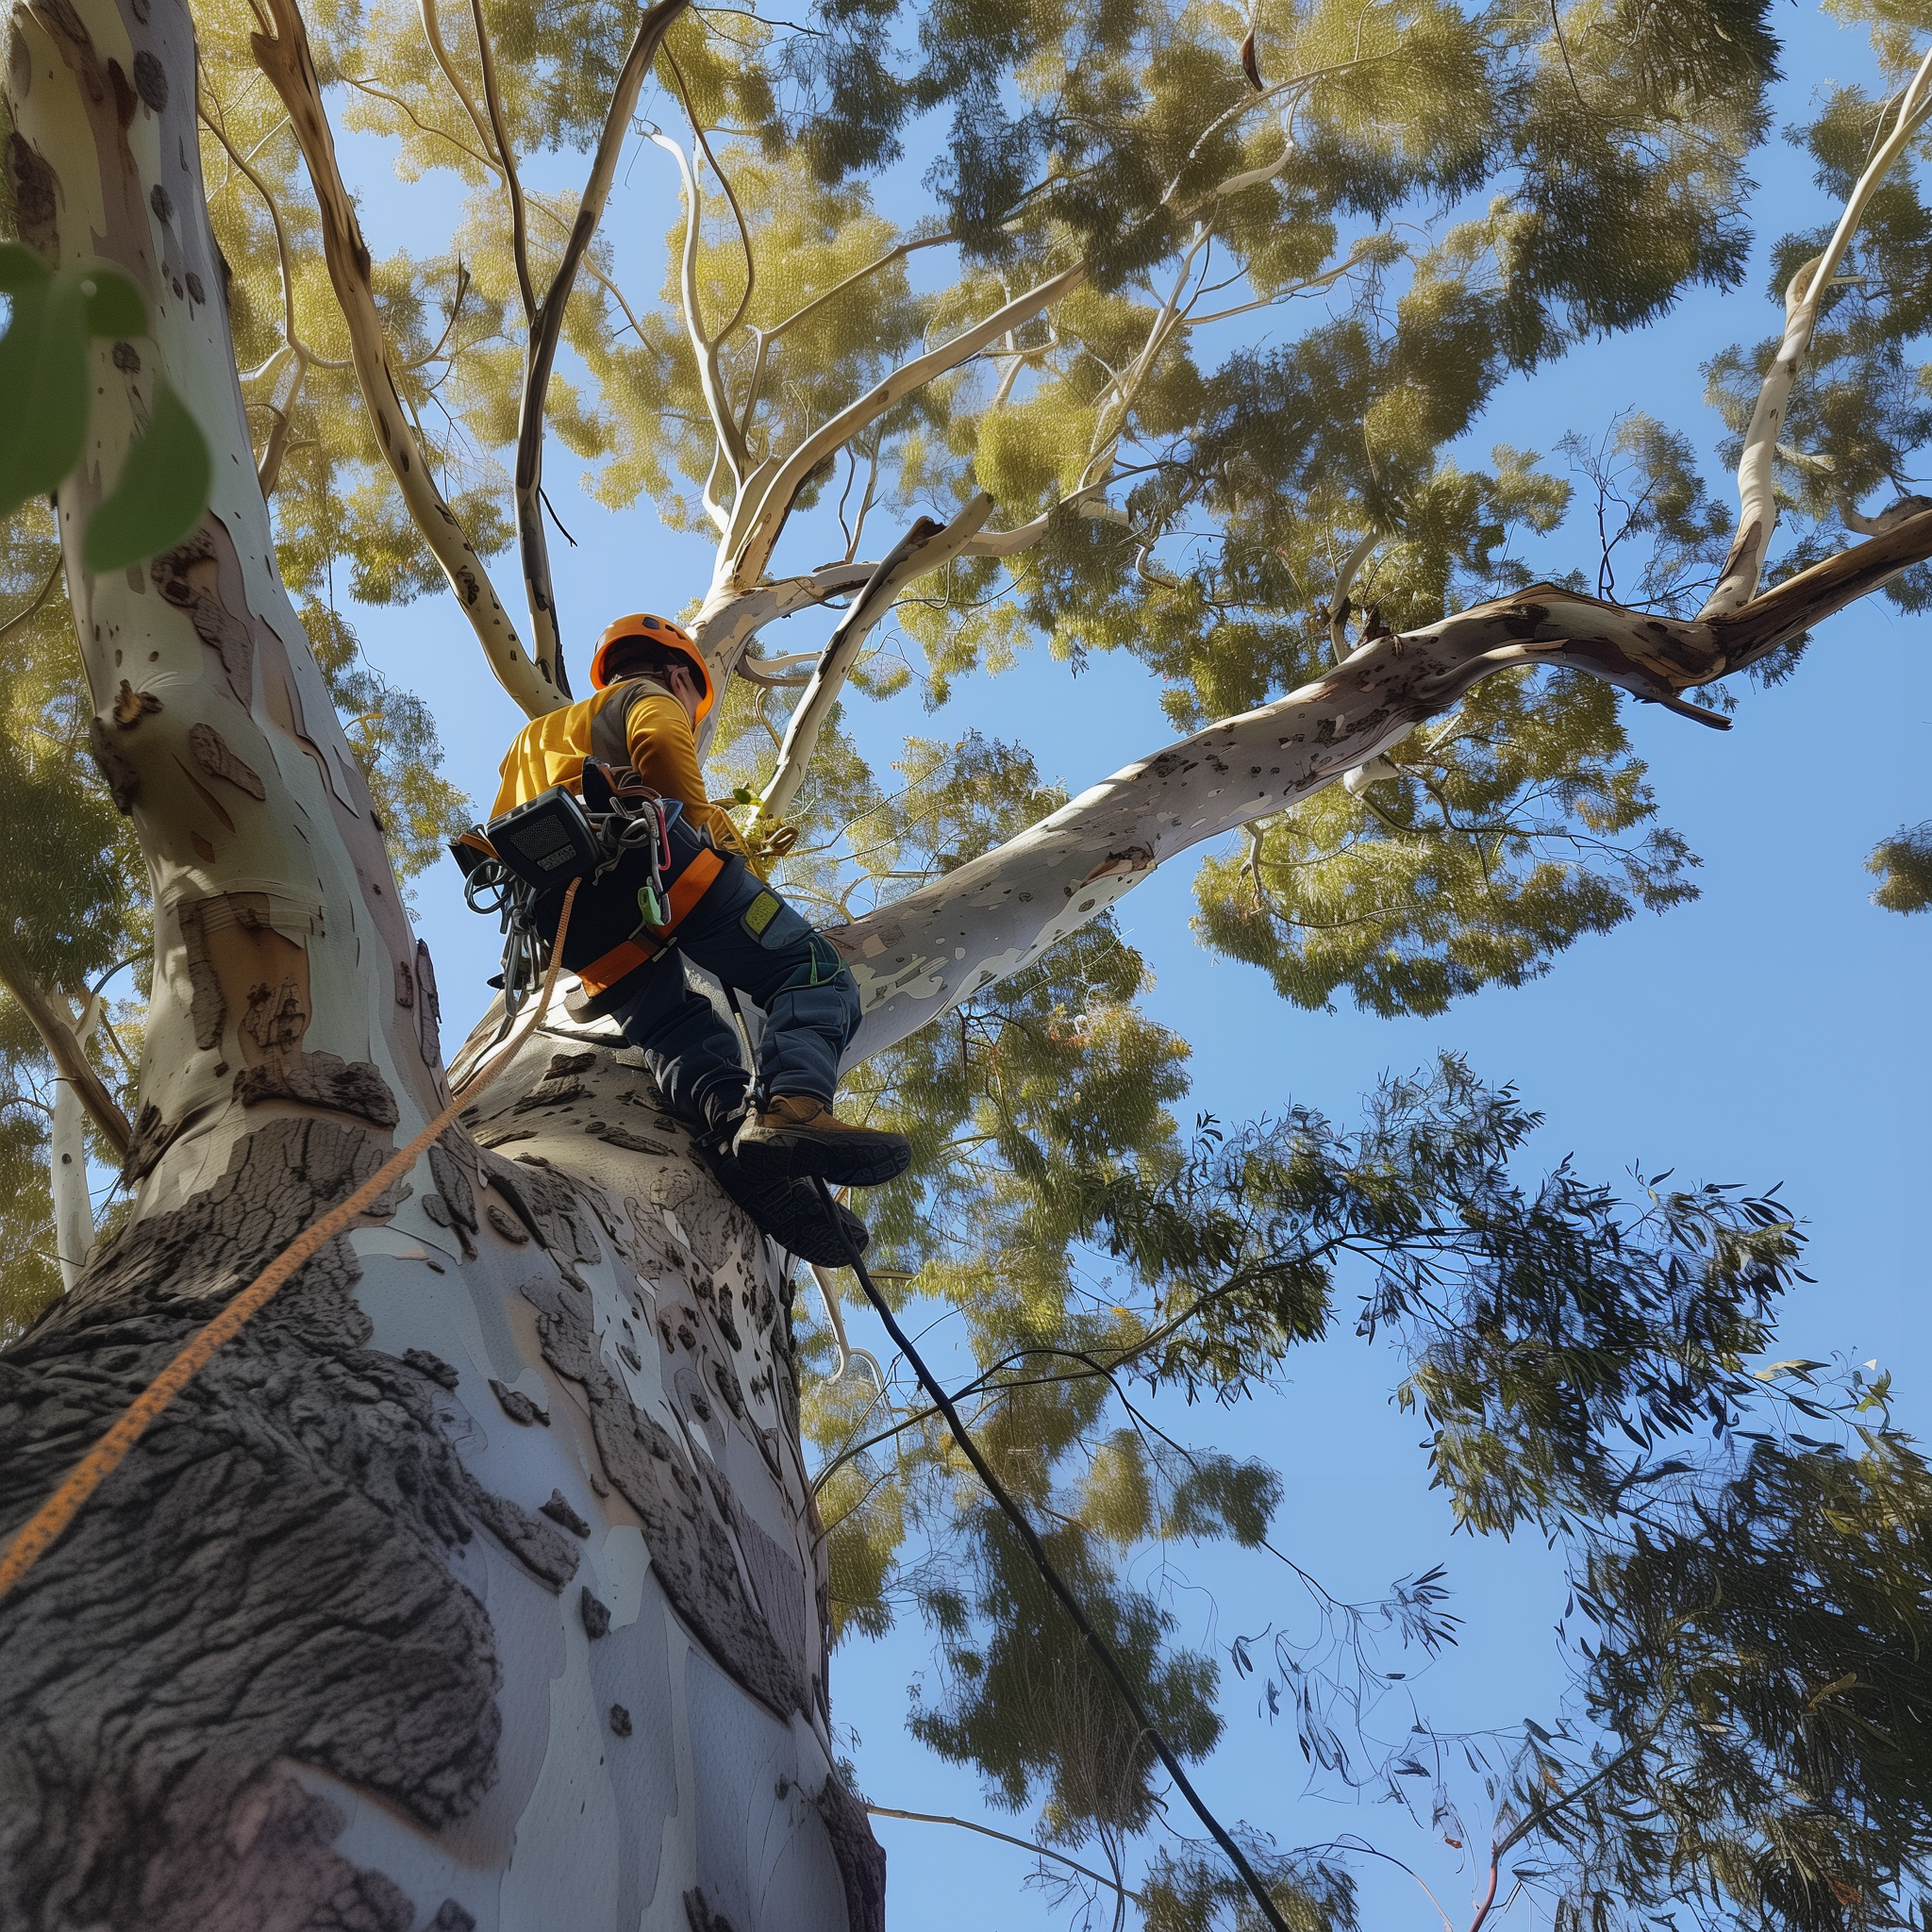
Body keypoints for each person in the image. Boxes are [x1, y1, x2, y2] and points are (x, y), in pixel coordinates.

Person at [485, 612, 908, 1260]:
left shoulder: (528, 741)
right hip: (645, 858)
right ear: (679, 672)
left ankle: (736, 1139)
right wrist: (715, 834)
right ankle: (792, 1107)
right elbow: (660, 756)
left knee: (672, 1031)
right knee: (809, 971)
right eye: (692, 696)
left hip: (566, 926)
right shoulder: (644, 696)